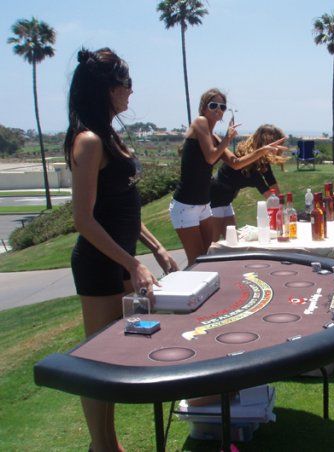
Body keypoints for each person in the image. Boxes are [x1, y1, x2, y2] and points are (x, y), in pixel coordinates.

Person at [64, 47, 179, 451]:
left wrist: (157, 248)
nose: (132, 92)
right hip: (99, 265)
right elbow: (84, 219)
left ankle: (106, 445)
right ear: (109, 89)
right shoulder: (90, 141)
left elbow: (123, 209)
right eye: (127, 84)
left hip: (120, 260)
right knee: (98, 360)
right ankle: (104, 446)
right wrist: (132, 261)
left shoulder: (109, 135)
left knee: (116, 356)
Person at [169, 89, 281, 265]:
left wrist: (262, 151)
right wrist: (227, 139)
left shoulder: (214, 137)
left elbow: (236, 163)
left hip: (204, 204)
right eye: (213, 105)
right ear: (204, 107)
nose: (218, 110)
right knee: (197, 262)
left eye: (222, 106)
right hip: (186, 204)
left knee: (207, 258)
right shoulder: (200, 122)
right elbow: (211, 157)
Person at [210, 124, 288, 241]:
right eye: (277, 145)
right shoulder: (249, 162)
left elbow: (274, 187)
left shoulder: (261, 161)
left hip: (226, 200)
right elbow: (269, 195)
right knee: (213, 244)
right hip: (214, 198)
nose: (279, 150)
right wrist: (282, 216)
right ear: (267, 143)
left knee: (232, 242)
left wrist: (284, 209)